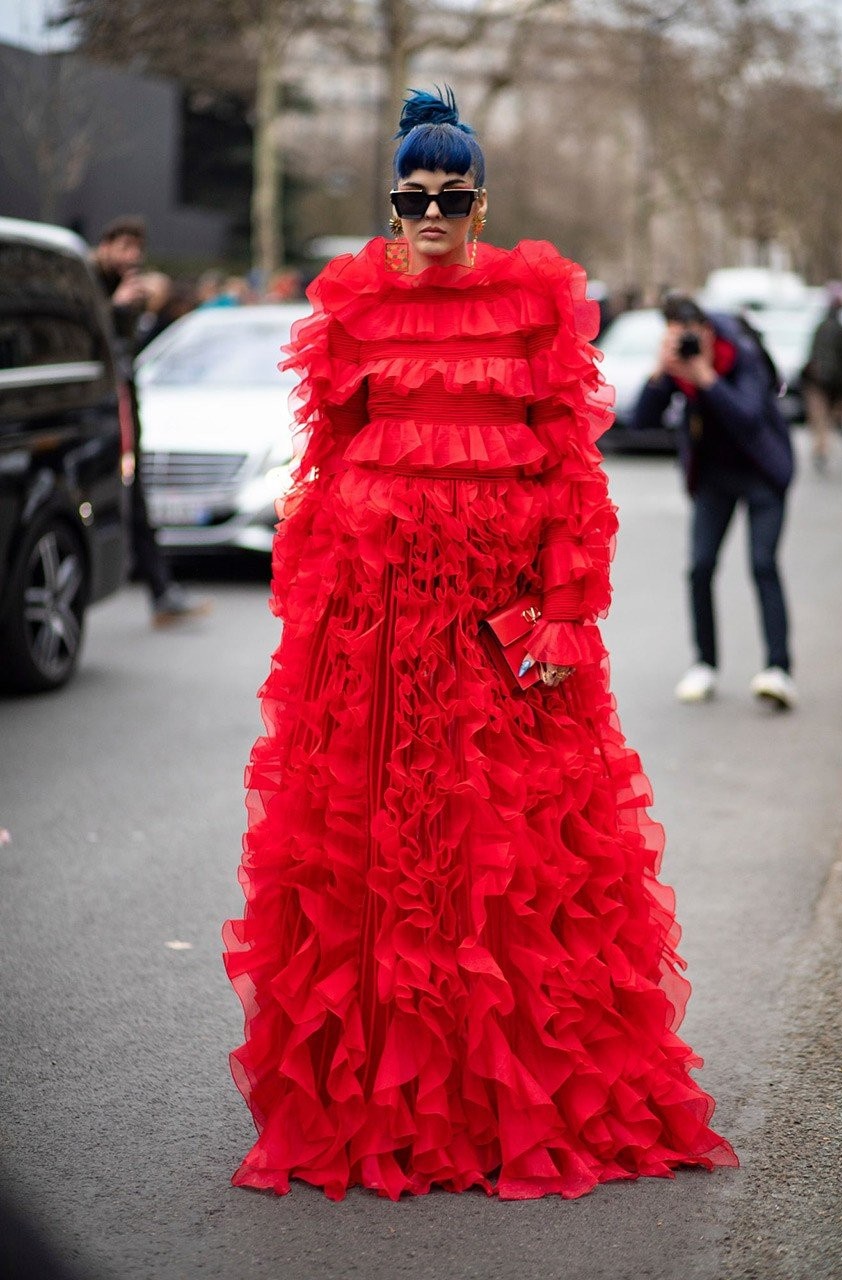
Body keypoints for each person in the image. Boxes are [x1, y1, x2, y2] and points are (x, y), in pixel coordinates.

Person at [223, 88, 737, 1201]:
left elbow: (570, 470)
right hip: (373, 624)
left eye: (451, 199)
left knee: (504, 844)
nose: (431, 215)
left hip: (496, 625)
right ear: (391, 205)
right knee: (380, 848)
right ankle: (386, 1095)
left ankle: (511, 1092)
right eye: (412, 198)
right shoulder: (352, 306)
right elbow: (326, 459)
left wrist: (566, 603)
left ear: (481, 206)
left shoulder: (533, 304)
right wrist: (314, 592)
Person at [633, 294, 795, 708]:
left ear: (706, 331)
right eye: (675, 337)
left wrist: (706, 377)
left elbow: (749, 417)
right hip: (713, 478)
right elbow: (641, 421)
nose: (685, 344)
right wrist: (659, 373)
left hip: (763, 473)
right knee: (700, 567)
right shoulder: (679, 365)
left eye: (689, 336)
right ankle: (704, 664)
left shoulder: (739, 353)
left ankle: (778, 669)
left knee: (763, 564)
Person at [91, 218, 210, 626]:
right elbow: (86, 338)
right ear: (105, 245)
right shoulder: (86, 279)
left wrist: (130, 308)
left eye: (137, 249)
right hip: (95, 409)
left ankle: (161, 590)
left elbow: (125, 349)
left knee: (135, 496)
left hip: (122, 406)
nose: (131, 257)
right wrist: (115, 307)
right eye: (124, 247)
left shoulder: (128, 289)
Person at [802, 283, 842, 470]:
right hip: (833, 381)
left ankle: (821, 449)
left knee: (821, 419)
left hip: (819, 381)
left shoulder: (822, 327)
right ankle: (823, 448)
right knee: (829, 417)